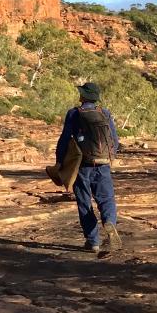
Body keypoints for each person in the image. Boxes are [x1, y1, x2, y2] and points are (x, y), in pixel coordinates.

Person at [55, 82, 121, 256]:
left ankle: (93, 242)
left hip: (82, 165)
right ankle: (109, 222)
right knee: (106, 199)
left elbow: (64, 140)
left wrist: (60, 162)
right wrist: (110, 157)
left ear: (83, 96)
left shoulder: (74, 113)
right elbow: (115, 140)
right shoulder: (105, 113)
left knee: (84, 202)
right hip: (103, 164)